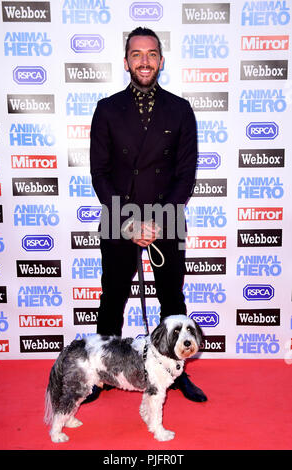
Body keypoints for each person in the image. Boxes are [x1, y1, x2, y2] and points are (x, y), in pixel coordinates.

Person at [85, 27, 207, 403]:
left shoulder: (180, 110)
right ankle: (98, 375)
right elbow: (99, 172)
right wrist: (128, 222)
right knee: (112, 299)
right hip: (119, 216)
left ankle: (176, 372)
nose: (144, 61)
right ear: (126, 62)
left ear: (161, 60)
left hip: (166, 216)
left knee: (172, 297)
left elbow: (186, 174)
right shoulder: (106, 109)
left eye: (151, 54)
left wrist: (156, 220)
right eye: (136, 54)